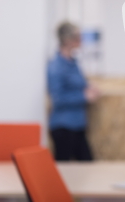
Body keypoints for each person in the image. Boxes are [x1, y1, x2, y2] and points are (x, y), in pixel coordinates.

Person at [47, 22, 99, 161]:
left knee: (87, 166)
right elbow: (58, 99)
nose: (80, 39)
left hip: (78, 125)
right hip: (63, 127)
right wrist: (83, 96)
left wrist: (89, 88)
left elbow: (79, 83)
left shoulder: (73, 62)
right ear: (67, 40)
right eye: (77, 36)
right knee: (64, 170)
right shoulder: (56, 66)